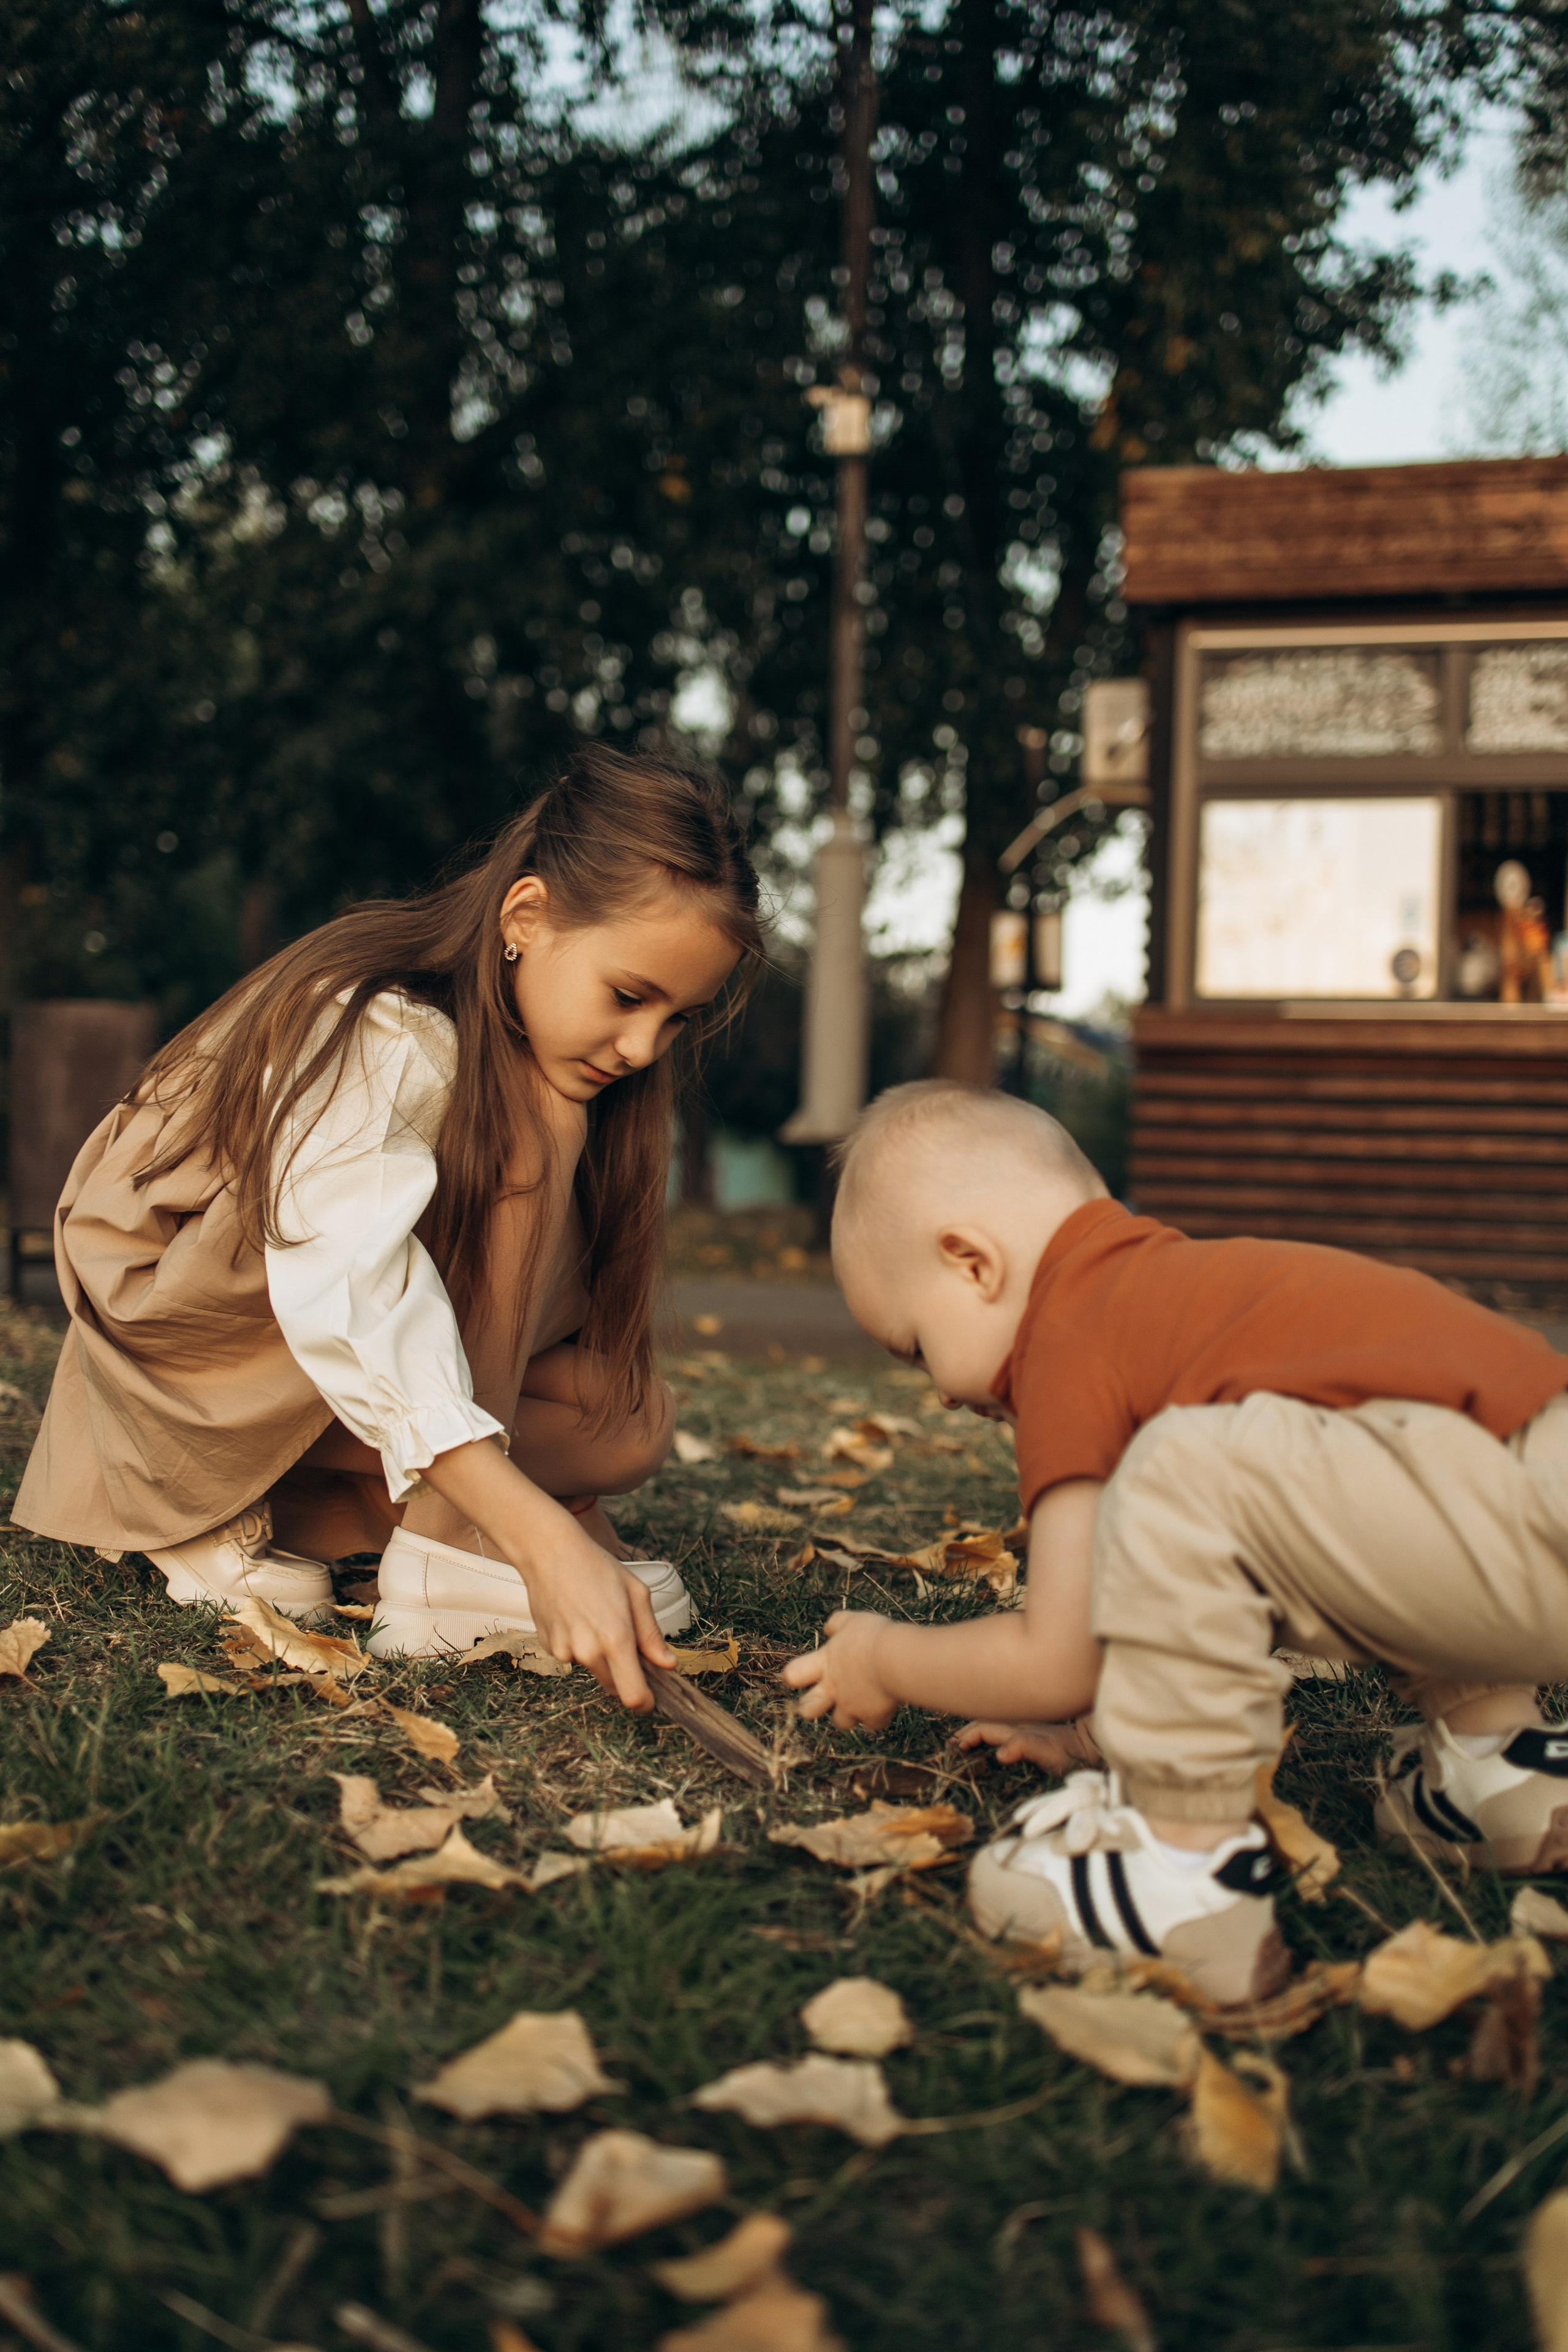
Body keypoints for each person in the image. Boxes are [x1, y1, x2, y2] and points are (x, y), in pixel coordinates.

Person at [783, 1079, 1568, 2003]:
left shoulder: (1075, 1328)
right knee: (1301, 1463)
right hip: (1524, 1494)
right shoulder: (1183, 1298)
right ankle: (1497, 1768)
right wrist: (1097, 1729)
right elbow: (1211, 1579)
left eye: (914, 1348)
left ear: (972, 1265)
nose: (942, 1395)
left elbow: (1058, 1652)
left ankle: (1181, 1875)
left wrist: (886, 1658)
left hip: (1525, 1519)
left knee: (1188, 1466)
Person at [12, 747, 761, 1712]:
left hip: (296, 1354)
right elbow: (344, 1273)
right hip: (182, 1332)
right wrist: (541, 1537)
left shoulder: (541, 1058)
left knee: (622, 1425)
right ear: (525, 919)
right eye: (629, 996)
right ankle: (444, 1557)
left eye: (677, 1018)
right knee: (531, 1130)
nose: (644, 1046)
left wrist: (555, 1514)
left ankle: (300, 1507)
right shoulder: (387, 1027)